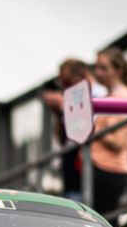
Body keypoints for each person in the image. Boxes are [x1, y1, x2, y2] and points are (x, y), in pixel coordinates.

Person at [40, 59, 107, 202]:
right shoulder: (73, 96)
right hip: (72, 162)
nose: (65, 88)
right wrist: (59, 114)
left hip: (90, 162)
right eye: (62, 84)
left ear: (83, 77)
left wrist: (64, 106)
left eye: (68, 83)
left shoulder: (100, 95)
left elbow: (92, 128)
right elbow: (64, 138)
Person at [89, 47, 127, 217]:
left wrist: (93, 127)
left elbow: (119, 142)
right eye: (96, 67)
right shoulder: (109, 96)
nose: (98, 73)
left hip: (110, 170)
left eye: (104, 68)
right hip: (102, 168)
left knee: (105, 223)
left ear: (118, 71)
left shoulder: (123, 97)